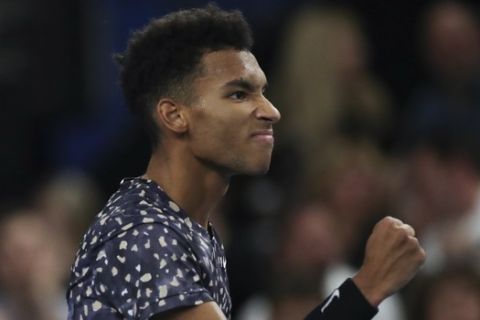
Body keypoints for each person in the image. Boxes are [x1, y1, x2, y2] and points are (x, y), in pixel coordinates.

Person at [66, 5, 425, 319]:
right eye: (239, 94)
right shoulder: (144, 236)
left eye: (263, 92)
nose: (271, 111)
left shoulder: (185, 227)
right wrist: (368, 286)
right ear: (175, 116)